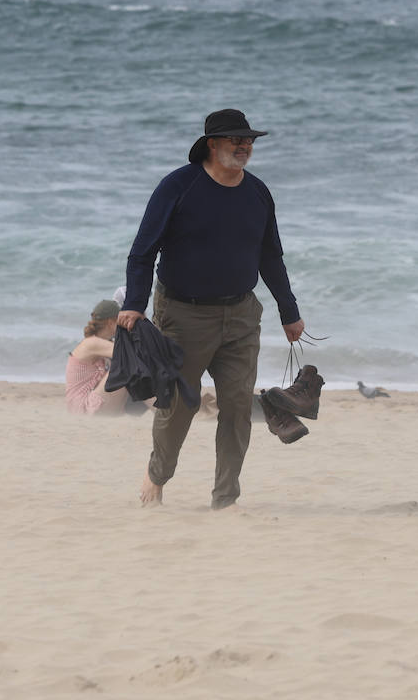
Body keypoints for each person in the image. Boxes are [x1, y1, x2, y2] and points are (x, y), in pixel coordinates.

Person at [118, 108, 306, 510]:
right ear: (212, 144)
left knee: (238, 409)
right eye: (236, 139)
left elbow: (270, 256)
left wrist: (288, 311)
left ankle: (225, 499)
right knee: (178, 407)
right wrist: (134, 304)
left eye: (249, 140)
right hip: (183, 315)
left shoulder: (257, 192)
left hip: (241, 315)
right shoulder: (178, 187)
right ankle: (158, 475)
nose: (244, 146)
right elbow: (142, 252)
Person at [65, 299, 130, 415]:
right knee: (125, 365)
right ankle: (159, 410)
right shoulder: (92, 343)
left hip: (84, 406)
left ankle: (158, 410)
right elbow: (130, 354)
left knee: (132, 367)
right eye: (120, 321)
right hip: (83, 407)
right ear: (111, 322)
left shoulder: (100, 343)